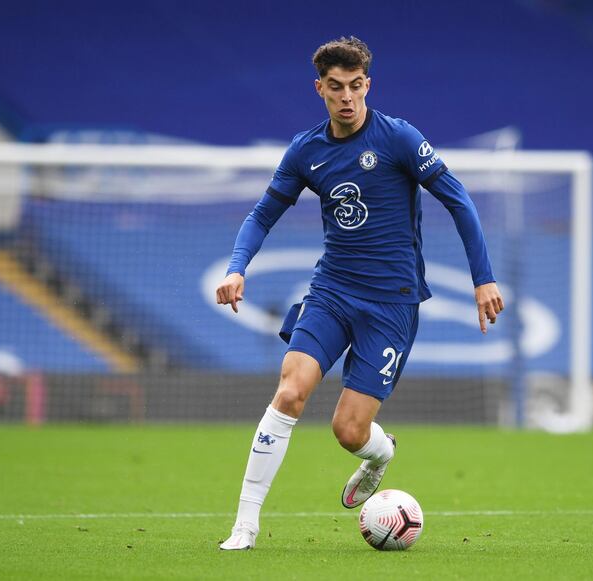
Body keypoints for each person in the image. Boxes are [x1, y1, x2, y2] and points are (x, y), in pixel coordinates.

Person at [215, 37, 504, 550]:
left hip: (392, 303)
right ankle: (245, 525)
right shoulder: (307, 151)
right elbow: (262, 213)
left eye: (355, 86)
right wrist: (238, 268)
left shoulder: (398, 138)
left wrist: (483, 278)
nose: (346, 97)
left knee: (348, 430)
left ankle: (380, 454)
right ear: (319, 89)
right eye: (335, 88)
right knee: (290, 389)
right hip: (332, 290)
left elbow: (458, 201)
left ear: (367, 84)